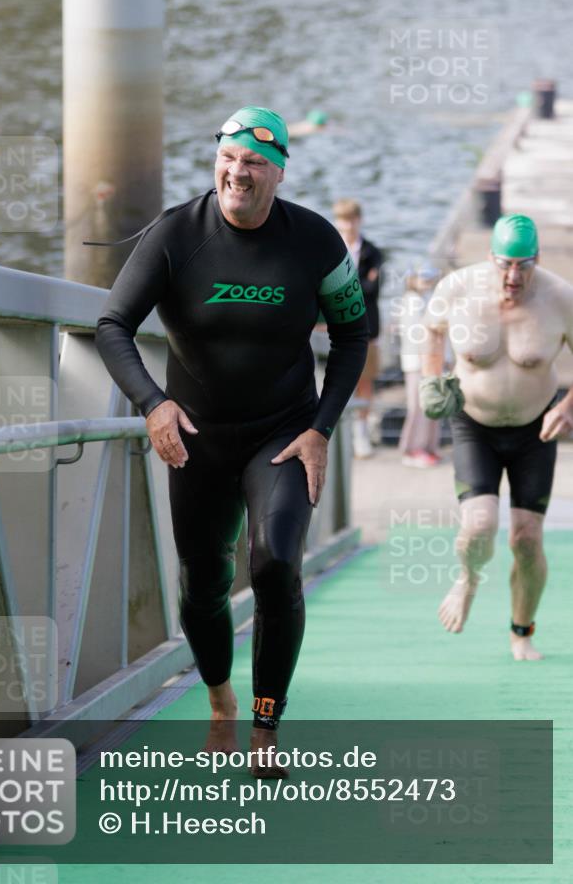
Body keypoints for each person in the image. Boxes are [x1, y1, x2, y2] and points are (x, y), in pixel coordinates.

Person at [96, 106, 369, 772]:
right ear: (215, 161)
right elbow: (112, 325)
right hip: (195, 434)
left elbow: (352, 334)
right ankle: (220, 701)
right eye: (227, 159)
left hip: (281, 433)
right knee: (202, 581)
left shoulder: (315, 241)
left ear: (276, 171)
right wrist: (153, 405)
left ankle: (265, 724)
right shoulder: (172, 235)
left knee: (275, 563)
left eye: (252, 163)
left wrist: (320, 428)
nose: (236, 174)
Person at [420, 214, 573, 660]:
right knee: (480, 527)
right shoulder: (459, 289)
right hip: (474, 424)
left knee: (526, 540)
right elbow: (431, 332)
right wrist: (433, 379)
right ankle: (467, 579)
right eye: (504, 264)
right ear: (490, 258)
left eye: (523, 266)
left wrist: (566, 408)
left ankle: (521, 632)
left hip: (535, 428)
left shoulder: (560, 297)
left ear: (537, 260)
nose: (512, 277)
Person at [332, 199, 383, 458]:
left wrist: (344, 287)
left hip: (368, 325)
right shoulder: (331, 247)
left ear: (359, 220)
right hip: (335, 324)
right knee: (340, 379)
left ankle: (362, 431)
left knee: (365, 380)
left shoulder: (372, 251)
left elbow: (373, 289)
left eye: (351, 219)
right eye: (342, 220)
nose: (347, 225)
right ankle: (345, 431)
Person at [397, 262, 443, 467]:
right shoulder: (411, 301)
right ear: (412, 279)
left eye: (429, 277)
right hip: (417, 362)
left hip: (430, 361)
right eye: (422, 277)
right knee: (416, 406)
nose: (427, 281)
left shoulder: (428, 299)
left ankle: (428, 447)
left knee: (431, 405)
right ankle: (410, 450)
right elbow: (414, 335)